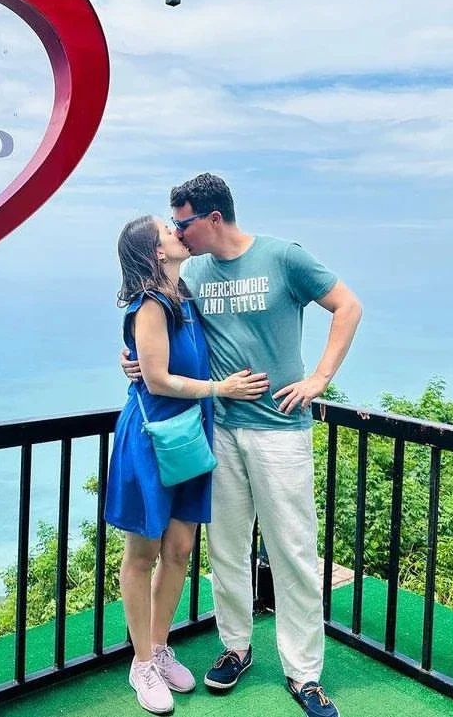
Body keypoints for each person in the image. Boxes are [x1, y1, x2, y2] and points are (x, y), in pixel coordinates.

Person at [121, 176, 362, 717]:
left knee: (294, 553)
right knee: (227, 550)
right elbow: (153, 325)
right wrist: (131, 358)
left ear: (210, 218)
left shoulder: (284, 258)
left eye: (181, 222)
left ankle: (304, 673)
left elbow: (347, 307)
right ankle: (236, 647)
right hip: (219, 432)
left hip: (280, 431)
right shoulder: (191, 276)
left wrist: (320, 379)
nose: (178, 233)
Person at [106, 215, 270, 715]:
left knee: (178, 548)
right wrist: (221, 390)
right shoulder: (152, 305)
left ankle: (159, 647)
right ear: (156, 252)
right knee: (142, 553)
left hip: (190, 439)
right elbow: (156, 381)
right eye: (168, 231)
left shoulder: (184, 298)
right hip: (154, 438)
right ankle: (140, 664)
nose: (179, 233)